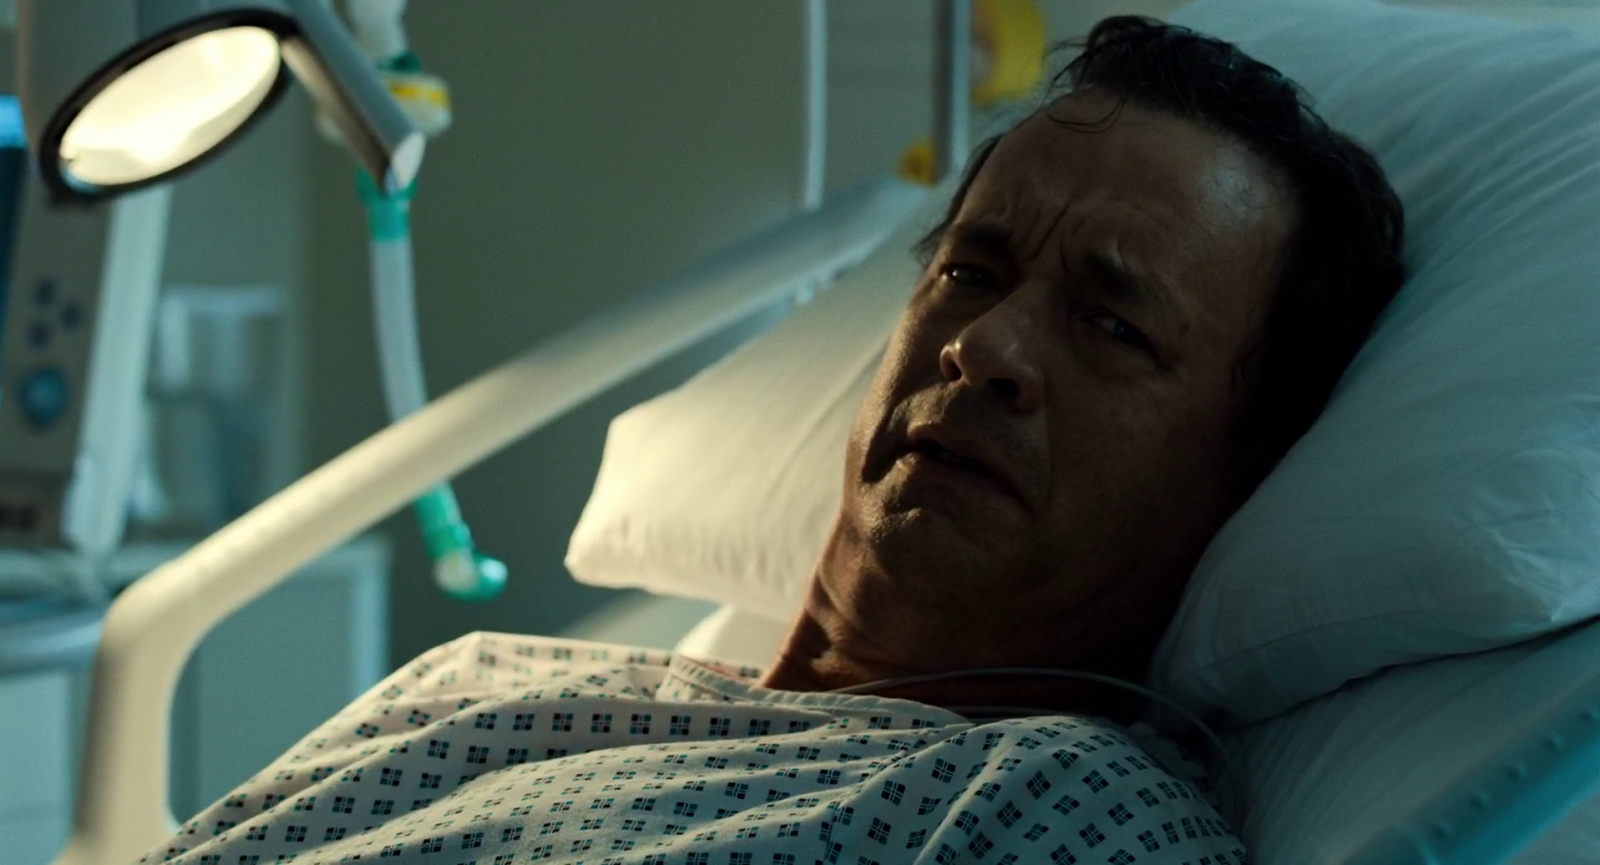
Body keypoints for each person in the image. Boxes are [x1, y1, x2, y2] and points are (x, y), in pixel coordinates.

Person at [137, 16, 1405, 865]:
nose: (988, 348)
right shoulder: (483, 685)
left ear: (1242, 469)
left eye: (1115, 326)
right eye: (972, 272)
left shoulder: (1051, 811)